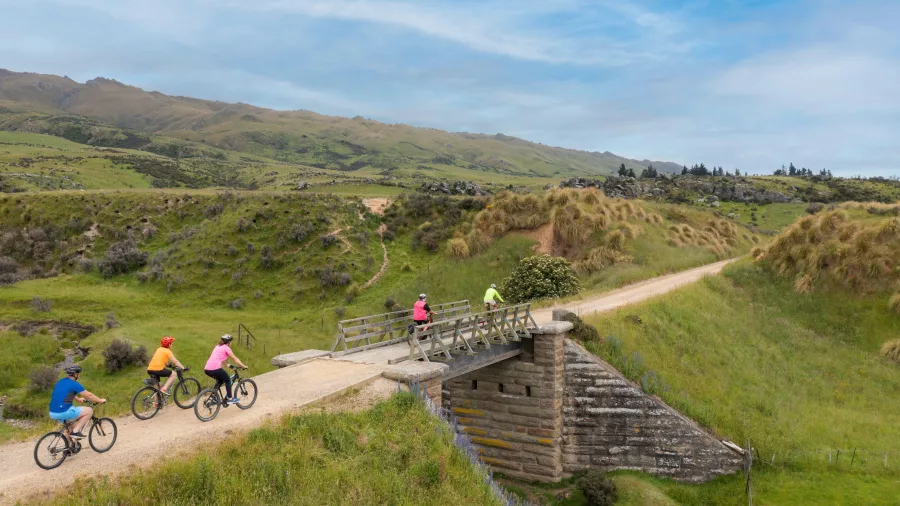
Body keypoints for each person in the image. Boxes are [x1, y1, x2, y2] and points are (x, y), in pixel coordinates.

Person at [48, 365, 106, 440]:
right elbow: (89, 395)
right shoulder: (74, 384)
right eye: (78, 374)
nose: (78, 376)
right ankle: (75, 432)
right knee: (89, 411)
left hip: (53, 412)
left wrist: (78, 399)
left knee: (71, 427)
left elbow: (66, 393)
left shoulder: (60, 382)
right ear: (75, 374)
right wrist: (100, 400)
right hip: (64, 411)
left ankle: (68, 448)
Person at [203, 334, 248, 405]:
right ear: (228, 342)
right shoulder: (226, 348)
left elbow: (219, 357)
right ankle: (230, 399)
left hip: (207, 369)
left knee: (220, 380)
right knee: (227, 379)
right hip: (215, 368)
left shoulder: (218, 347)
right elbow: (234, 359)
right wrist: (243, 366)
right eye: (231, 342)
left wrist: (226, 364)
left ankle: (213, 397)